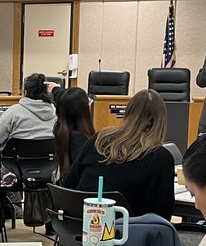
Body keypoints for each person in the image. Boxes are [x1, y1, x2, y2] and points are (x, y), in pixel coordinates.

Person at [62, 89, 175, 219]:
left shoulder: (99, 139)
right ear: (160, 121)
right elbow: (160, 217)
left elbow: (68, 185)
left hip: (74, 227)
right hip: (123, 234)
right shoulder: (160, 157)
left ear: (127, 112)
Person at [0, 73, 57, 146]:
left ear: (25, 93)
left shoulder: (14, 112)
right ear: (47, 93)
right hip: (48, 156)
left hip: (16, 156)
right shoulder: (56, 112)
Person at [54, 87, 95, 178]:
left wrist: (55, 88)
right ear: (84, 110)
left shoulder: (59, 131)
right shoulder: (80, 139)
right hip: (79, 188)